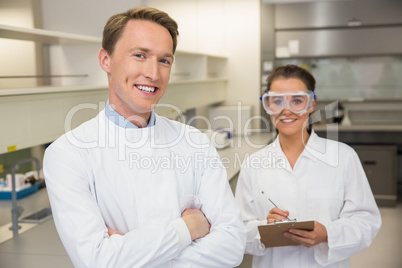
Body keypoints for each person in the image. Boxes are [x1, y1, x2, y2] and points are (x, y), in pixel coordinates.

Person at [44, 7, 245, 267]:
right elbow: (98, 261)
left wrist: (130, 252)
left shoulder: (195, 142)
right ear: (106, 60)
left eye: (165, 60)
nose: (153, 73)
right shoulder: (68, 154)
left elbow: (232, 246)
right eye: (140, 55)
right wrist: (187, 228)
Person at [235, 64, 381, 267]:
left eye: (297, 100)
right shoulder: (253, 164)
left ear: (312, 104)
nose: (286, 110)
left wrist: (327, 234)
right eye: (277, 101)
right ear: (268, 106)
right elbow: (237, 230)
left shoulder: (344, 157)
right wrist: (264, 228)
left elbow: (367, 222)